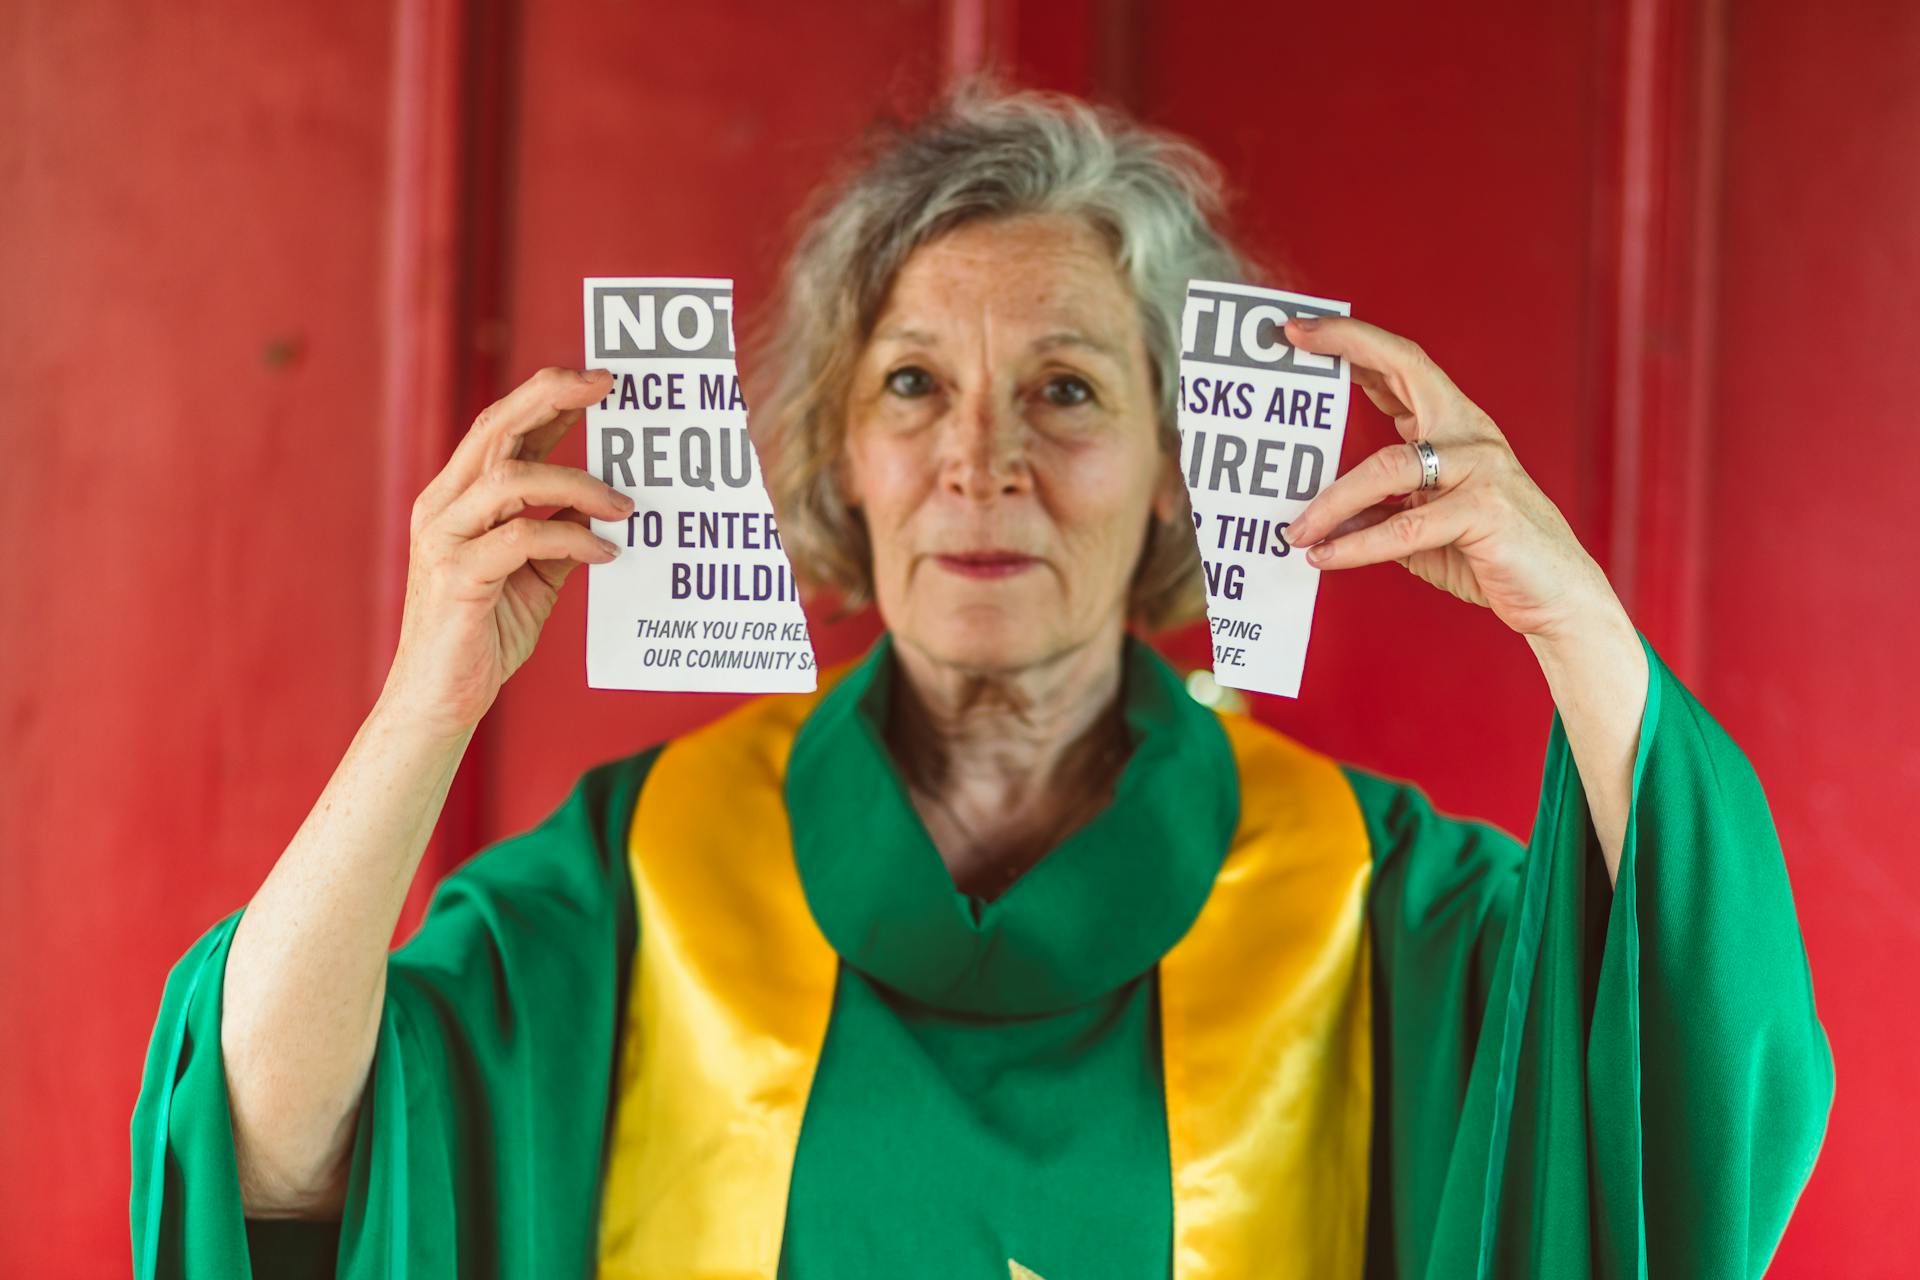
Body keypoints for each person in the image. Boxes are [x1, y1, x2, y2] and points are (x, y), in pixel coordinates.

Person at [131, 87, 1832, 1279]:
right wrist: (425, 704)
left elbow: (1692, 1116)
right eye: (914, 384)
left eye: (1071, 390)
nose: (981, 461)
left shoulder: (1374, 895)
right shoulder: (643, 869)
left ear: (1182, 462)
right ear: (835, 454)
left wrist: (1576, 628)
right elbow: (270, 1156)